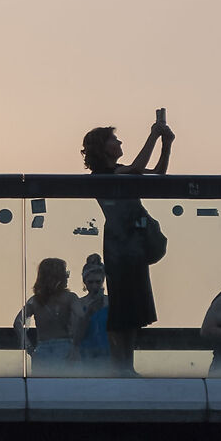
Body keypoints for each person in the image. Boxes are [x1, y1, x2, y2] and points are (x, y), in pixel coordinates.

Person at [81, 113, 175, 374]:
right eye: (114, 139)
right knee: (123, 308)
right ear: (104, 147)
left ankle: (125, 365)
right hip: (121, 247)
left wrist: (166, 144)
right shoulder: (104, 174)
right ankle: (121, 365)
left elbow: (157, 172)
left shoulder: (115, 172)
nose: (120, 142)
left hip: (129, 246)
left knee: (132, 308)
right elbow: (136, 169)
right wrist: (155, 136)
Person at [15, 257, 82, 372]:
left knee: (43, 388)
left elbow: (18, 322)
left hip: (42, 351)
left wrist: (29, 348)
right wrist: (76, 346)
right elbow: (82, 318)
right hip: (65, 348)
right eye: (65, 273)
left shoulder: (35, 301)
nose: (67, 276)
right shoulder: (70, 298)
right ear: (57, 277)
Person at [73, 254, 111, 369]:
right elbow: (75, 336)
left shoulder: (111, 302)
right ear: (85, 282)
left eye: (97, 282)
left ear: (103, 281)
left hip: (108, 353)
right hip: (86, 354)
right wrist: (89, 312)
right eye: (90, 282)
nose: (94, 286)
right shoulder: (79, 303)